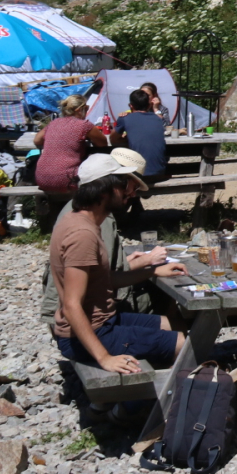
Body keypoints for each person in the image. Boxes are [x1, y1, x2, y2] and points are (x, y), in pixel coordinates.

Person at [50, 154, 187, 373]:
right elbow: (71, 305)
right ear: (106, 190)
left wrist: (153, 270)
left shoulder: (81, 220)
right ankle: (141, 401)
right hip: (92, 332)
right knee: (183, 343)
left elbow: (107, 280)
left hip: (105, 321)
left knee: (174, 324)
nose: (130, 194)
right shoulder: (82, 234)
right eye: (124, 186)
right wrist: (105, 358)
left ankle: (149, 389)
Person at [39, 148, 158, 326]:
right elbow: (102, 277)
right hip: (88, 318)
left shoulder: (79, 208)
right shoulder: (94, 219)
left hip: (70, 311)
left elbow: (93, 266)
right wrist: (148, 263)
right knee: (162, 298)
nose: (133, 194)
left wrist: (128, 262)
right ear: (113, 184)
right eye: (130, 186)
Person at [34, 95, 109, 195]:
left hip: (42, 178)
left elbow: (37, 140)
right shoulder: (84, 125)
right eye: (86, 108)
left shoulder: (54, 123)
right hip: (66, 179)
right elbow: (103, 143)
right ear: (79, 110)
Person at [111, 90, 169, 184]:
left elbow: (113, 140)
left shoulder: (125, 118)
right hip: (159, 172)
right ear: (149, 105)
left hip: (139, 174)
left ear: (131, 106)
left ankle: (132, 198)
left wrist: (126, 137)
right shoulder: (158, 119)